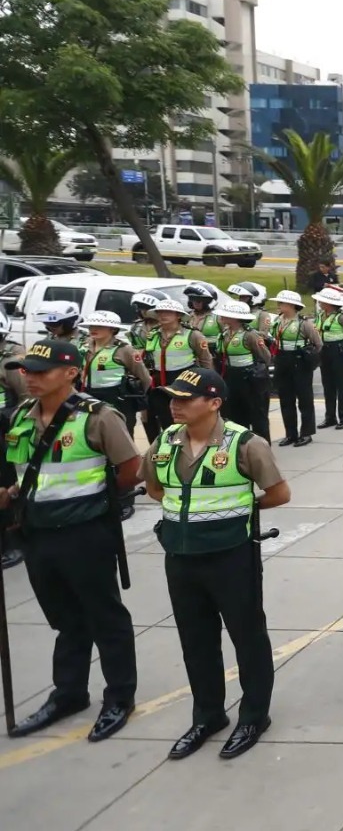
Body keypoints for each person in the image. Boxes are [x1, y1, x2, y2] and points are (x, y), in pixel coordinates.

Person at [142, 367, 288, 760]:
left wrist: (236, 510)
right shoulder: (165, 442)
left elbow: (278, 492)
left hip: (231, 557)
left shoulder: (245, 443)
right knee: (196, 641)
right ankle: (207, 715)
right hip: (181, 557)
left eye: (185, 399)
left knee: (248, 637)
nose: (175, 405)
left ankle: (254, 715)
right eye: (172, 398)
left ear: (214, 403)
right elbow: (155, 487)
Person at [2, 339, 143, 741]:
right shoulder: (22, 415)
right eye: (26, 370)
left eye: (40, 371)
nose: (29, 378)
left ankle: (119, 696)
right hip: (37, 532)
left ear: (70, 373)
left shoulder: (97, 417)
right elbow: (28, 468)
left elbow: (129, 469)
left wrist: (94, 503)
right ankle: (69, 693)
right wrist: (12, 493)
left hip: (85, 533)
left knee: (105, 616)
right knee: (66, 619)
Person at [144, 298, 214, 443]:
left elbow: (206, 360)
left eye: (168, 312)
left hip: (184, 381)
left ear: (178, 316)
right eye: (160, 312)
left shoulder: (192, 335)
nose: (163, 315)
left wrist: (207, 385)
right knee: (163, 419)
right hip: (160, 382)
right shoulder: (153, 335)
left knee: (185, 419)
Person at [81, 310, 150, 436]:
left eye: (100, 326)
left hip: (117, 399)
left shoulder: (124, 350)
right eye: (91, 326)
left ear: (113, 329)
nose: (93, 329)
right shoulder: (83, 347)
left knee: (121, 434)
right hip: (88, 395)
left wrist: (135, 396)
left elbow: (144, 377)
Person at [270, 290, 321, 447]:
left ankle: (306, 433)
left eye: (282, 303)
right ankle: (290, 434)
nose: (279, 306)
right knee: (286, 399)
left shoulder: (303, 323)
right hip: (282, 360)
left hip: (299, 362)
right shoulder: (278, 321)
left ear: (292, 305)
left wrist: (309, 359)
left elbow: (318, 344)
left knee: (304, 399)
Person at [213, 300, 272, 439]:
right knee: (235, 414)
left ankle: (262, 446)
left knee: (257, 414)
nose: (221, 317)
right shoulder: (224, 334)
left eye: (225, 315)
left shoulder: (250, 335)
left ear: (235, 318)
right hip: (231, 377)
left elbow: (265, 356)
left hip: (249, 378)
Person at [312, 289, 343, 431]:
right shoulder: (320, 315)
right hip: (324, 351)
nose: (319, 303)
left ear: (329, 303)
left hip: (339, 352)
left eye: (321, 301)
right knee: (328, 385)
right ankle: (330, 417)